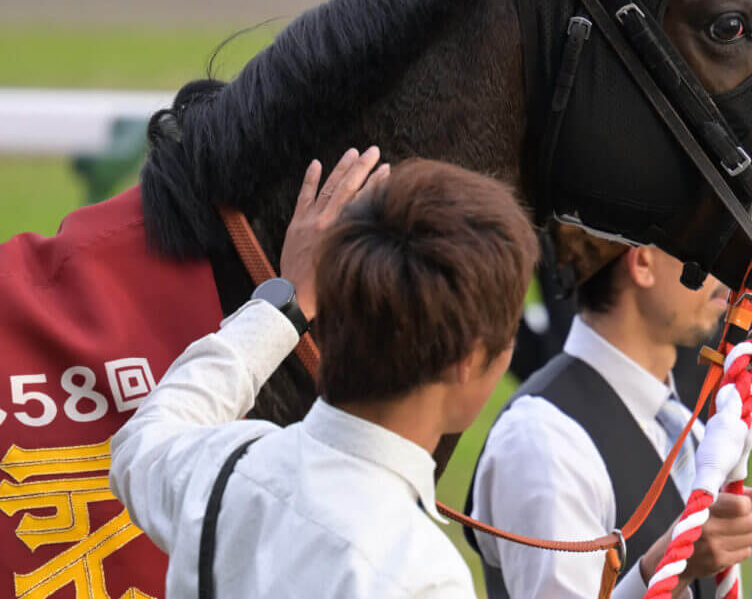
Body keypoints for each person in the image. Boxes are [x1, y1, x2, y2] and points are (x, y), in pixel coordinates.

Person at [110, 149, 537, 599]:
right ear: (465, 361)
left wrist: (286, 302)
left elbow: (143, 440)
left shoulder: (225, 468)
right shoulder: (424, 576)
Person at [467, 246, 752, 599]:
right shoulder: (541, 439)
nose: (724, 269)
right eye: (702, 243)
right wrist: (664, 570)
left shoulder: (688, 428)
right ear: (642, 262)